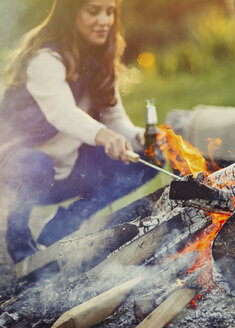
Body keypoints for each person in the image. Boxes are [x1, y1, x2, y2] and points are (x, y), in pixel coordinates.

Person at [0, 0, 157, 264]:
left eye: (110, 12)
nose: (104, 20)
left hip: (71, 171)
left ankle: (67, 222)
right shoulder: (45, 58)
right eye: (93, 11)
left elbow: (117, 121)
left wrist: (140, 137)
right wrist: (105, 136)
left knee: (151, 156)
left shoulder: (101, 60)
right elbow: (62, 113)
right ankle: (18, 239)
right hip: (25, 171)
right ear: (71, 13)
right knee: (35, 165)